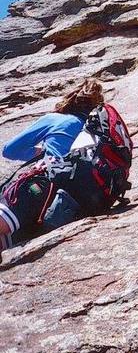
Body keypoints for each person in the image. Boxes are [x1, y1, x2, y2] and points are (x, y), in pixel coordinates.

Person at [1, 79, 105, 249]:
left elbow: (9, 150)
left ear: (70, 99)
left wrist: (39, 152)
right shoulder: (97, 132)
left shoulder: (56, 119)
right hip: (66, 205)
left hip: (41, 186)